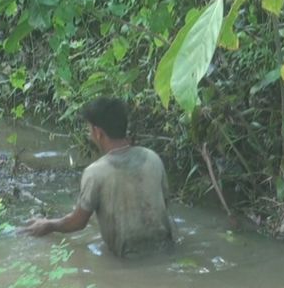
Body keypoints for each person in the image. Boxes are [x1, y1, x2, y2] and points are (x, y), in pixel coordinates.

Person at [19, 97, 174, 258]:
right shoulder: (152, 158)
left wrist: (49, 225)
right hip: (167, 250)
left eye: (89, 130)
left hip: (128, 259)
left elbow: (77, 223)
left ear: (98, 132)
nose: (89, 134)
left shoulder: (95, 173)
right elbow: (165, 203)